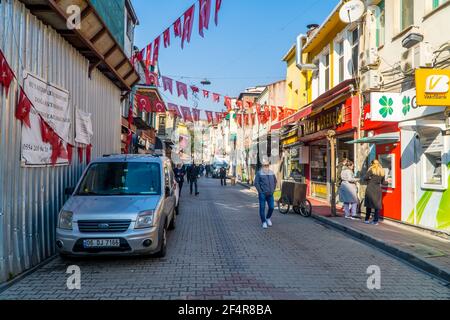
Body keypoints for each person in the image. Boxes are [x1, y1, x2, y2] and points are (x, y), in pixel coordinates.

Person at [254, 161, 277, 229]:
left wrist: (273, 190)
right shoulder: (259, 173)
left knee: (272, 207)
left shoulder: (271, 173)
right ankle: (264, 222)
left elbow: (275, 181)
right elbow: (256, 183)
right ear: (262, 166)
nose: (266, 166)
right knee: (262, 208)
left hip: (270, 194)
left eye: (267, 165)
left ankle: (268, 218)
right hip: (263, 194)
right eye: (264, 165)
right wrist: (260, 191)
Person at [364, 160, 387, 225]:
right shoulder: (382, 171)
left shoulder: (371, 170)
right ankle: (375, 221)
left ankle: (367, 219)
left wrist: (370, 179)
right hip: (377, 189)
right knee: (377, 205)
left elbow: (365, 178)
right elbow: (383, 182)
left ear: (372, 164)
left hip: (370, 188)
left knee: (369, 205)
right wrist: (387, 182)